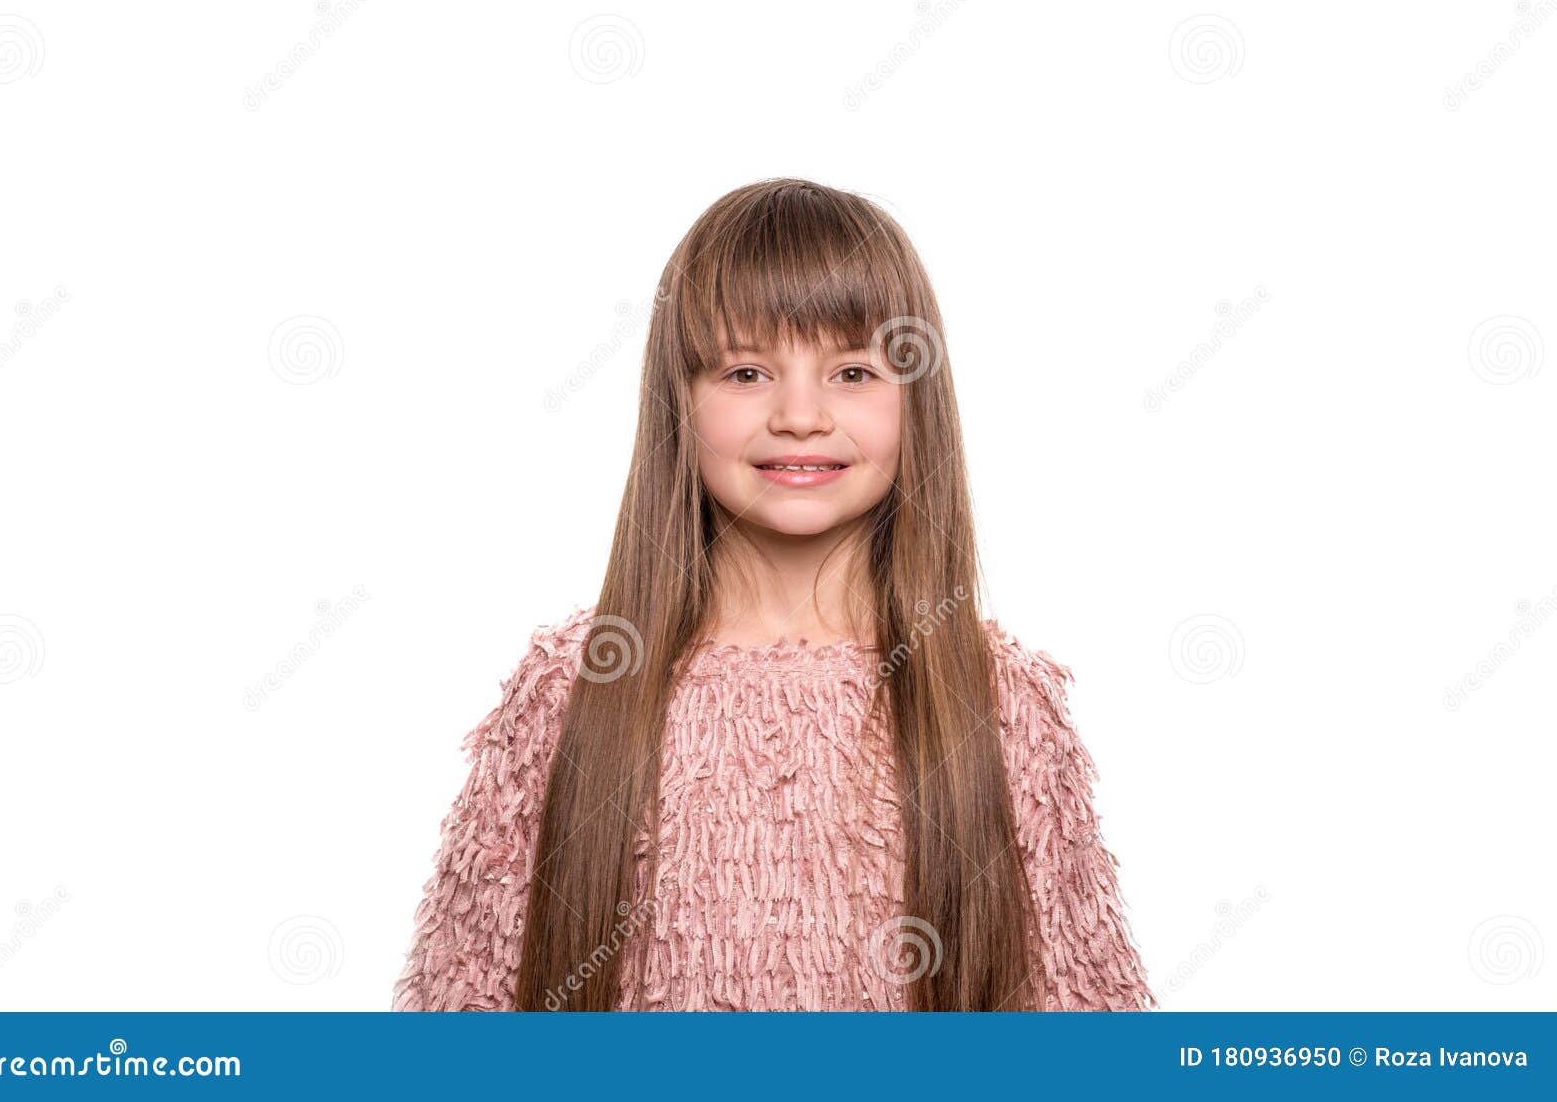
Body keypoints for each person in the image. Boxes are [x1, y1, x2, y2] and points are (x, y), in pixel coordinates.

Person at [391, 177, 1154, 1011]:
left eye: (853, 370)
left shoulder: (1001, 701)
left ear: (916, 398)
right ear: (679, 400)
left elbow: (1087, 1020)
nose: (800, 414)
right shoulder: (568, 690)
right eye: (747, 370)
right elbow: (458, 1009)